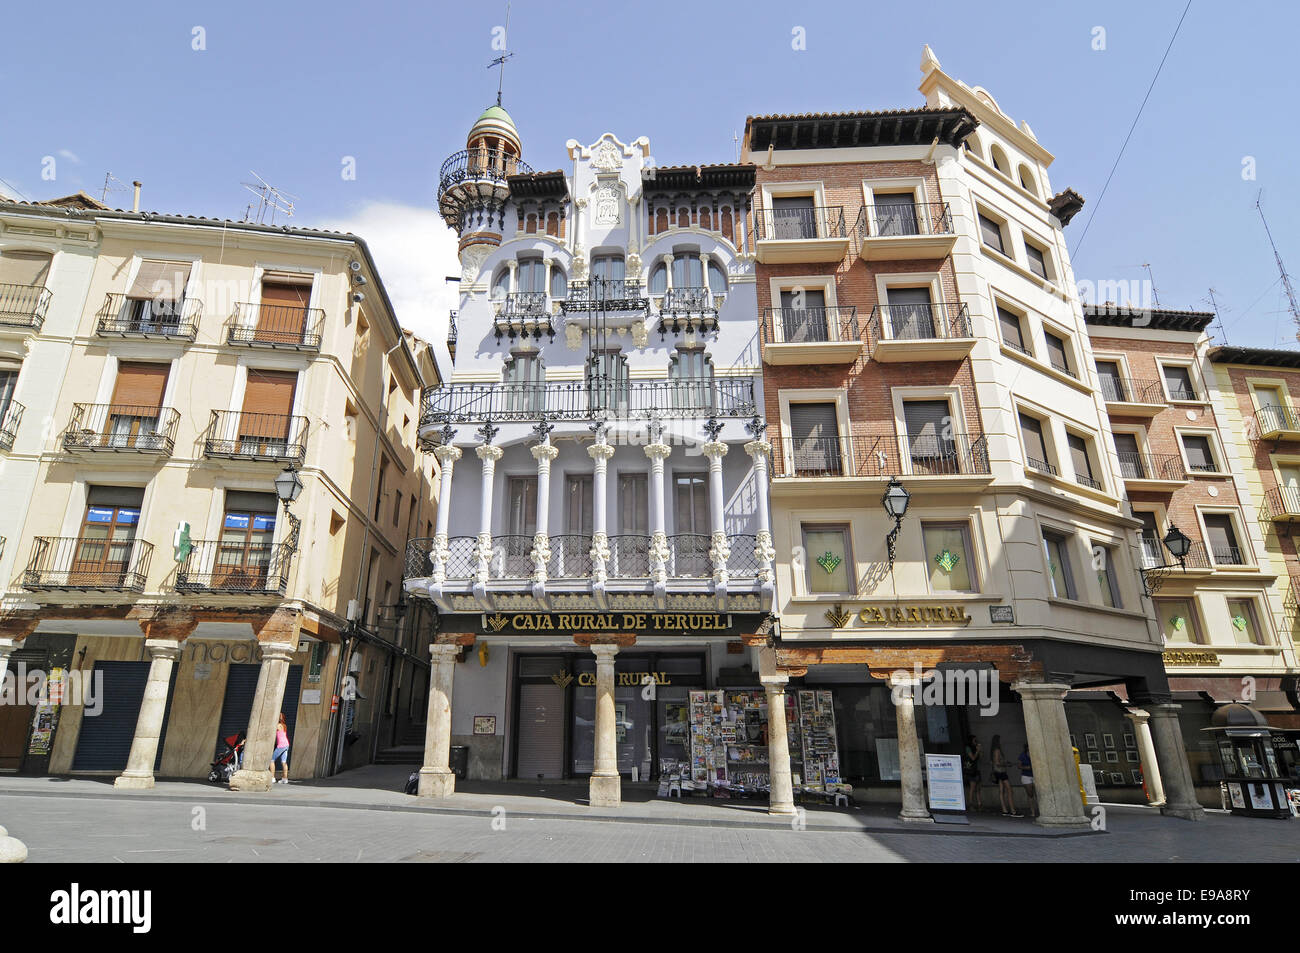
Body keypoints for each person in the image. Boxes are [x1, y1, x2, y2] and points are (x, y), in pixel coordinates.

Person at [991, 734, 1020, 816]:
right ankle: (1013, 810)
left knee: (1001, 791)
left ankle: (1005, 810)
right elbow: (997, 763)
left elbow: (995, 762)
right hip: (1001, 772)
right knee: (1009, 790)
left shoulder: (994, 750)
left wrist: (1005, 763)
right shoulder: (997, 750)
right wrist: (1006, 764)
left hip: (998, 772)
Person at [963, 734, 983, 810]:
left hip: (976, 769)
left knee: (978, 787)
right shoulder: (968, 748)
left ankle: (979, 804)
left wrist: (979, 750)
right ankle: (970, 803)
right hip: (971, 770)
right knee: (972, 787)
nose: (976, 742)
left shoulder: (975, 748)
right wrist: (977, 751)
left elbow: (980, 757)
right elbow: (973, 758)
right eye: (974, 740)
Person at [270, 713, 291, 784]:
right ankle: (285, 778)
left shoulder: (278, 725)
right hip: (286, 744)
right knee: (284, 762)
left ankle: (272, 777)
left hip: (281, 745)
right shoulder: (284, 726)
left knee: (271, 760)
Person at [1018, 743, 1037, 818]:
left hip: (1035, 776)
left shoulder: (1035, 753)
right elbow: (1019, 766)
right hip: (1026, 776)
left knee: (1038, 794)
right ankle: (1032, 811)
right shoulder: (1022, 755)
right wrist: (1026, 767)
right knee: (1030, 794)